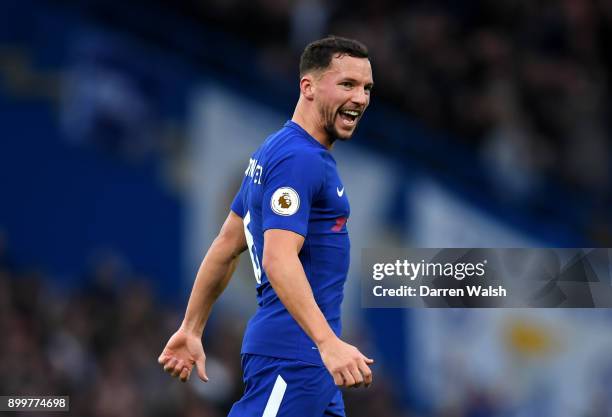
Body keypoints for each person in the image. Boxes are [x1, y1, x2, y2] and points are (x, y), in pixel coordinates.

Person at [158, 35, 375, 417]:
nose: (360, 97)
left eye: (366, 88)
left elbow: (227, 244)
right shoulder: (298, 160)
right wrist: (327, 343)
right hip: (294, 358)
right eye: (347, 84)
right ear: (308, 87)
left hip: (312, 365)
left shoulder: (275, 150)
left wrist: (192, 328)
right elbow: (277, 259)